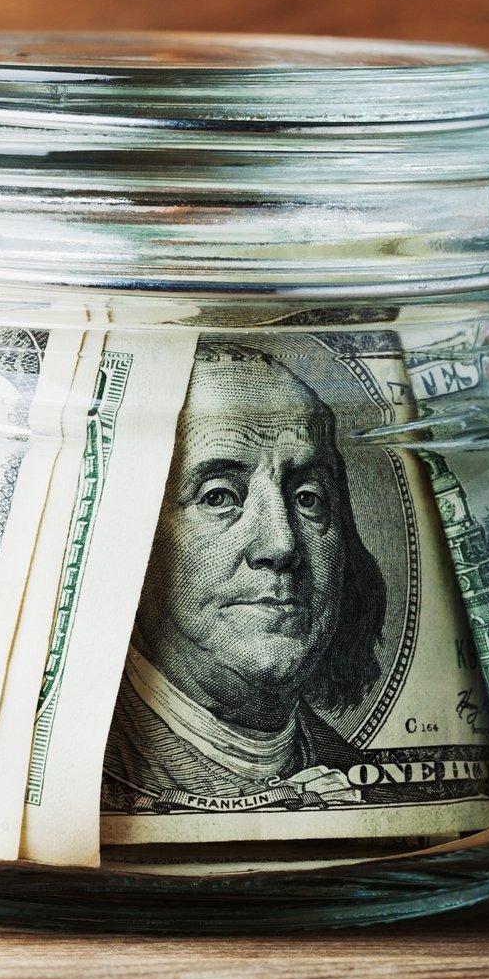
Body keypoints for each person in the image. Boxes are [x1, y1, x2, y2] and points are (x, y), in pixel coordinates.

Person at [104, 341, 388, 810]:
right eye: (219, 496)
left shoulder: (367, 781)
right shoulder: (79, 772)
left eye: (308, 498)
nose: (281, 544)